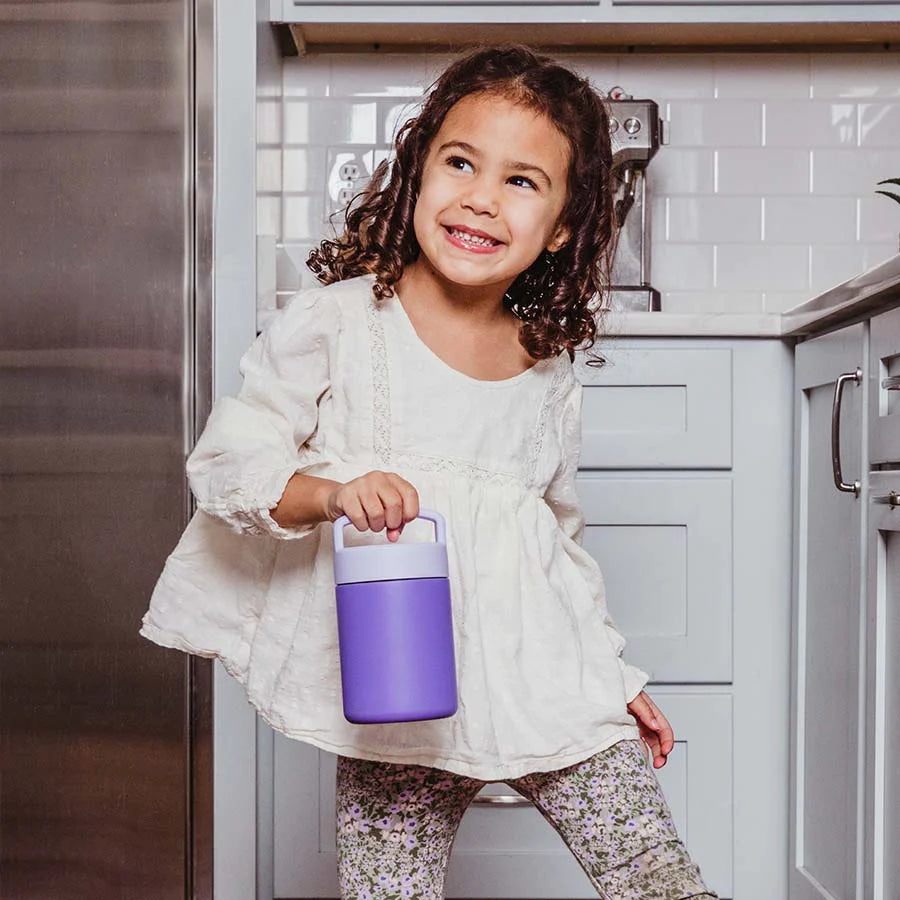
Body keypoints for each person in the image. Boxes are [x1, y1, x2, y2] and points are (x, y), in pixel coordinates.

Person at [140, 44, 719, 900]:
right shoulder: (342, 322)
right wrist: (334, 494)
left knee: (655, 875)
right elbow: (232, 461)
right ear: (416, 173)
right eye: (459, 162)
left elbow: (556, 541)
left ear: (561, 227)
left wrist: (616, 677)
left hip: (541, 675)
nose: (482, 196)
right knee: (390, 892)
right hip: (400, 688)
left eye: (523, 181)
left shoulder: (547, 366)